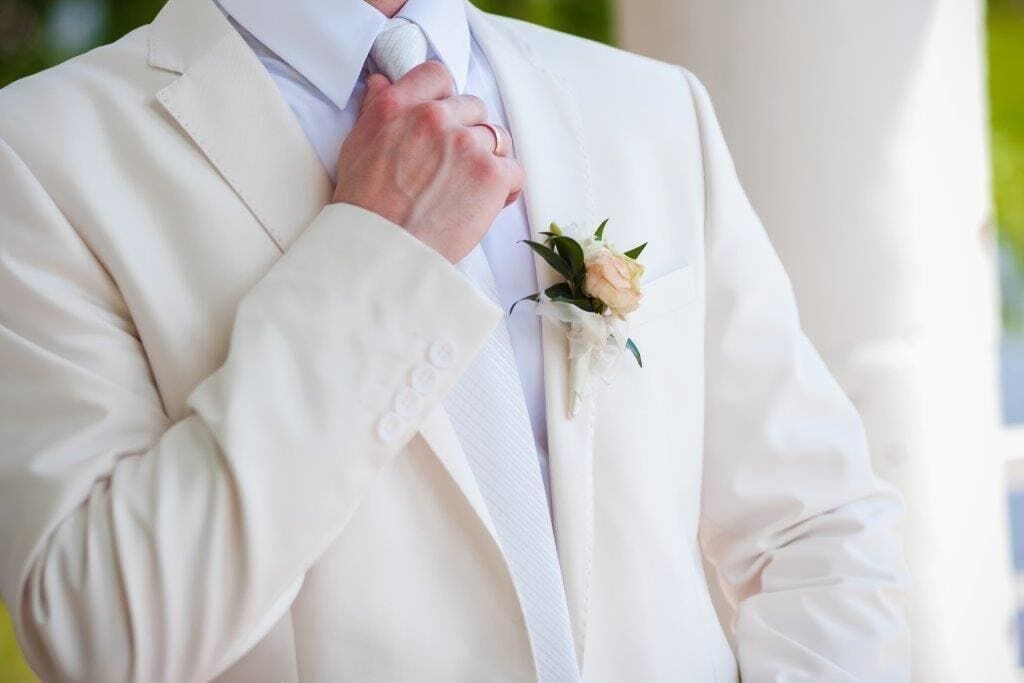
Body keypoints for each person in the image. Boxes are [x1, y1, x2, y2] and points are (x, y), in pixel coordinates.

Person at [0, 0, 910, 680]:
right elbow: (103, 633)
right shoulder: (39, 156)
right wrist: (379, 253)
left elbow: (818, 528)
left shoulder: (649, 106)